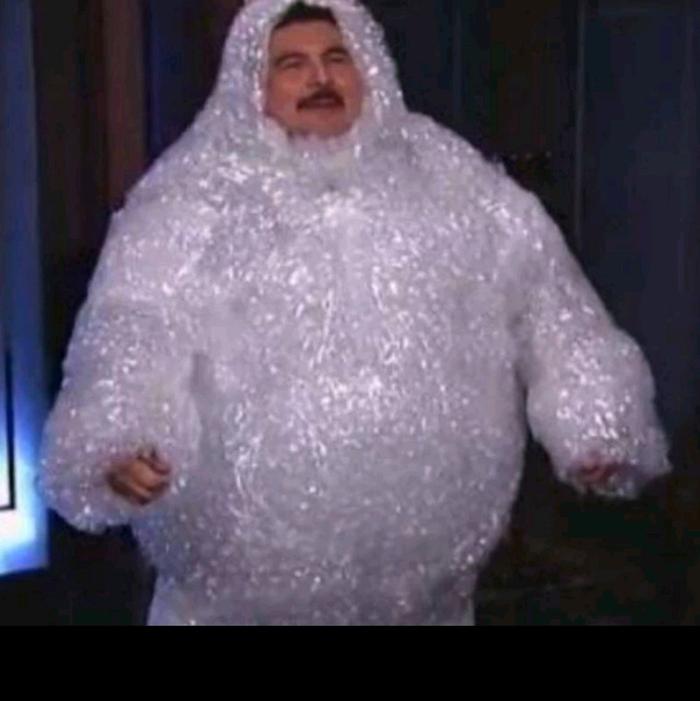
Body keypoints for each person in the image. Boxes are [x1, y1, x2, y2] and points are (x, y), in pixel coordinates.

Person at [39, 0, 670, 625]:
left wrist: (596, 419)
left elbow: (549, 298)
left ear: (369, 66)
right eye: (292, 64)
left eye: (336, 57)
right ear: (252, 84)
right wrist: (118, 432)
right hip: (236, 603)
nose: (320, 77)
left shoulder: (450, 180)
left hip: (424, 600)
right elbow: (133, 321)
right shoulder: (192, 198)